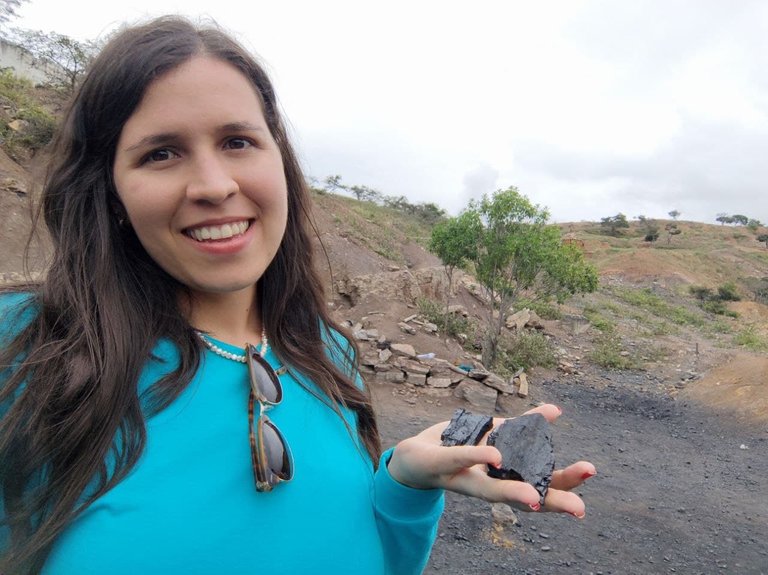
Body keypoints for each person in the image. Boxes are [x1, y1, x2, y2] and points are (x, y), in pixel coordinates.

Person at [0, 16, 595, 575]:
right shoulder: (27, 347)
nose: (214, 184)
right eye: (161, 153)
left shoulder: (324, 351)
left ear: (279, 161)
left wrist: (405, 486)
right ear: (109, 190)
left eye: (237, 141)